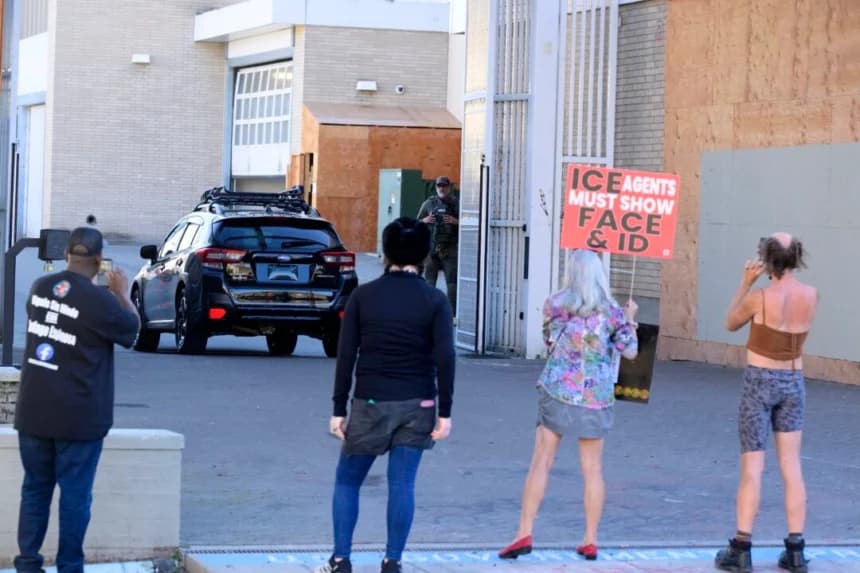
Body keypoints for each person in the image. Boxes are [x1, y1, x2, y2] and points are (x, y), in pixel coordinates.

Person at [318, 217, 456, 573]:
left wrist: (338, 409)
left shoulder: (364, 296)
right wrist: (445, 412)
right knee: (403, 483)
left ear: (385, 251)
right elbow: (445, 357)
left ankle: (340, 560)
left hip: (370, 403)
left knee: (348, 480)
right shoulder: (435, 300)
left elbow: (346, 355)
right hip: (419, 404)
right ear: (425, 254)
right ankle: (392, 561)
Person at [13, 227, 140, 573]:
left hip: (33, 412)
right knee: (74, 496)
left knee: (35, 490)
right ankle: (69, 567)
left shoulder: (40, 288)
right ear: (99, 261)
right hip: (79, 418)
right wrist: (123, 294)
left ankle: (27, 564)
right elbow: (132, 331)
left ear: (67, 254)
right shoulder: (100, 302)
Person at [499, 249, 638, 562]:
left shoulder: (556, 304)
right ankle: (590, 539)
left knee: (541, 461)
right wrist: (630, 319)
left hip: (559, 390)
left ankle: (523, 532)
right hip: (596, 395)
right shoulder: (613, 311)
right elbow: (629, 351)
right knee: (593, 469)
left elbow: (549, 340)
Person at [715, 232, 817, 573]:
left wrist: (745, 283)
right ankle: (796, 549)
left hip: (760, 380)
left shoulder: (759, 298)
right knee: (792, 466)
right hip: (793, 380)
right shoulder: (810, 295)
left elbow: (730, 323)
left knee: (753, 468)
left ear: (767, 260)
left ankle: (742, 547)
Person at [416, 176, 459, 316]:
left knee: (452, 284)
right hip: (432, 249)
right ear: (436, 187)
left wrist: (455, 221)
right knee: (429, 282)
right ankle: (428, 313)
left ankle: (452, 315)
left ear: (449, 187)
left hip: (450, 248)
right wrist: (425, 220)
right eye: (439, 186)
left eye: (444, 186)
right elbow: (416, 223)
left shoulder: (456, 203)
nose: (442, 188)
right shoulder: (428, 203)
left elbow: (468, 223)